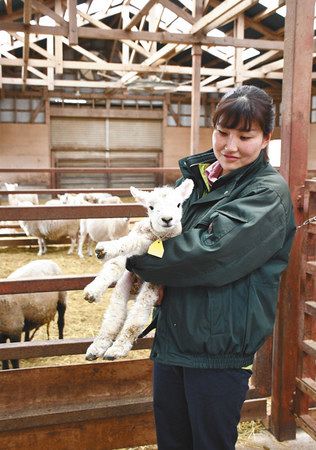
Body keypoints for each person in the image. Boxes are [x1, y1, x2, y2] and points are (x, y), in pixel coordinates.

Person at [126, 85, 296, 450]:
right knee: (173, 443)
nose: (230, 145)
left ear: (266, 138)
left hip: (217, 347)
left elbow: (208, 254)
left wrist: (133, 256)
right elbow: (161, 227)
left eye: (245, 136)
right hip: (175, 338)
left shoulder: (266, 194)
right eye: (223, 132)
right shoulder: (197, 182)